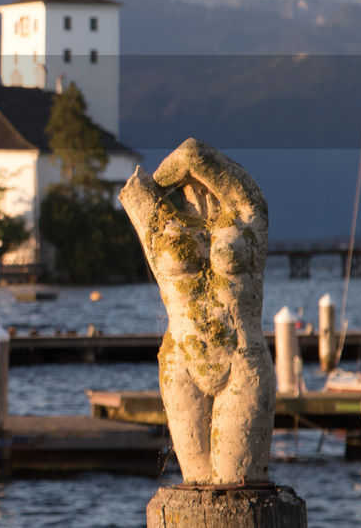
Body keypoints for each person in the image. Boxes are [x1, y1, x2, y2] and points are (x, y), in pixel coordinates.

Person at [120, 138, 275, 485]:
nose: (196, 188)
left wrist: (174, 179)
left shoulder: (248, 215)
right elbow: (139, 189)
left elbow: (194, 153)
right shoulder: (160, 226)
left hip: (241, 358)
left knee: (238, 488)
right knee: (196, 490)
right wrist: (165, 189)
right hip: (181, 364)